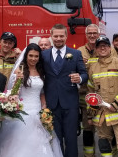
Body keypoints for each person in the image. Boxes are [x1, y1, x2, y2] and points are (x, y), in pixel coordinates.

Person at [0, 43, 63, 157]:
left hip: (37, 109)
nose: (33, 59)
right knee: (21, 141)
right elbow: (13, 93)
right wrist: (18, 81)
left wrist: (44, 108)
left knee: (40, 141)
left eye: (36, 56)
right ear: (26, 56)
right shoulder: (19, 71)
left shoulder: (41, 70)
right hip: (23, 110)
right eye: (31, 55)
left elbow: (42, 92)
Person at [42, 24, 88, 157]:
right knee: (55, 139)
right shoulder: (43, 55)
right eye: (55, 36)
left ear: (66, 36)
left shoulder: (75, 53)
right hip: (51, 104)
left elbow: (85, 74)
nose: (58, 39)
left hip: (70, 103)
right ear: (51, 37)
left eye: (61, 36)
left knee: (71, 139)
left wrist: (79, 78)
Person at [86, 36, 118, 157]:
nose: (102, 48)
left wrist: (117, 104)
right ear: (96, 49)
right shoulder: (93, 67)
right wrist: (90, 114)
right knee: (104, 144)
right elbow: (91, 92)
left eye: (105, 45)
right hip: (102, 115)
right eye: (99, 46)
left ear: (109, 47)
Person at [76, 24, 116, 157]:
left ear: (99, 34)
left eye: (95, 33)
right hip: (86, 97)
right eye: (89, 33)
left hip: (106, 98)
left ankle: (113, 153)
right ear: (86, 35)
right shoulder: (79, 51)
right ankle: (89, 155)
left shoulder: (110, 50)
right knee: (88, 128)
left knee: (109, 128)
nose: (92, 35)